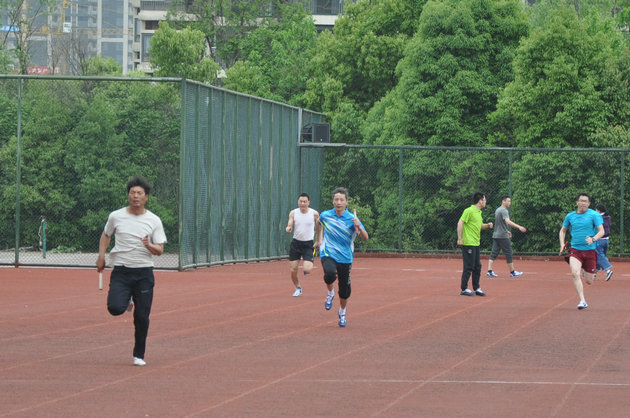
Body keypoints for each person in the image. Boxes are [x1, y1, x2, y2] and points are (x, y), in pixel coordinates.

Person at [96, 176, 167, 366]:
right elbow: (106, 235)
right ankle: (126, 301)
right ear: (128, 195)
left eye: (139, 193)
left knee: (142, 316)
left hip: (144, 273)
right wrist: (101, 256)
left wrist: (149, 245)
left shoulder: (154, 220)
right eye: (132, 193)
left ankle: (138, 355)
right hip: (122, 271)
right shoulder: (116, 216)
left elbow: (160, 250)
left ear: (146, 197)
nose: (135, 196)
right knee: (114, 308)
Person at [316, 187, 368, 327]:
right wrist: (318, 239)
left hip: (345, 257)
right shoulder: (325, 215)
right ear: (333, 201)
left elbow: (365, 238)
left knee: (344, 290)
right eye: (336, 199)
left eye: (341, 200)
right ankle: (330, 292)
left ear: (346, 202)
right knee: (330, 274)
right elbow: (319, 223)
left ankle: (342, 311)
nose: (338, 202)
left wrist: (360, 227)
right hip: (328, 253)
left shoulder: (352, 219)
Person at [559, 193, 604, 310]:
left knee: (589, 281)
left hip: (590, 251)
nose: (583, 203)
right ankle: (582, 300)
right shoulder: (570, 216)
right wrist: (562, 244)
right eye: (581, 201)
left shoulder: (594, 215)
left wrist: (593, 239)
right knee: (574, 273)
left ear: (589, 204)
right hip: (575, 250)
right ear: (577, 202)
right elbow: (562, 231)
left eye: (586, 201)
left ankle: (586, 269)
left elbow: (602, 231)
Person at [457, 192, 493, 296]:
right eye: (484, 200)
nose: (485, 202)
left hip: (476, 243)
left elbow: (479, 226)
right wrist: (460, 238)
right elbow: (460, 222)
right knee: (469, 266)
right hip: (468, 243)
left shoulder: (478, 213)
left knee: (478, 266)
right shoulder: (469, 211)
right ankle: (464, 289)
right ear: (480, 201)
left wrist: (487, 225)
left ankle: (476, 288)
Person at [286, 193, 319, 297]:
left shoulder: (314, 214)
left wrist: (318, 240)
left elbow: (319, 227)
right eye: (301, 201)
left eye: (305, 201)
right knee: (293, 269)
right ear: (298, 202)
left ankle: (310, 258)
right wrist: (289, 227)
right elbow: (290, 222)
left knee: (307, 269)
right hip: (296, 243)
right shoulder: (293, 213)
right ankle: (298, 287)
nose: (303, 203)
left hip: (308, 244)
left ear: (308, 202)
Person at [486, 196, 526, 278]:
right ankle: (513, 272)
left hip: (496, 235)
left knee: (494, 253)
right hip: (502, 236)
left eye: (510, 201)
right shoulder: (504, 210)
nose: (509, 203)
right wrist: (519, 227)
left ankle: (489, 271)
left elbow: (499, 224)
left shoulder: (498, 210)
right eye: (508, 201)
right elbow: (507, 221)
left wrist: (507, 231)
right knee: (509, 253)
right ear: (503, 201)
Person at [594, 203, 613, 281]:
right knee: (599, 256)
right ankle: (595, 272)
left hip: (600, 240)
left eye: (596, 209)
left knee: (599, 256)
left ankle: (608, 270)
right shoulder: (608, 217)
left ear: (599, 210)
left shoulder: (598, 217)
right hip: (606, 240)